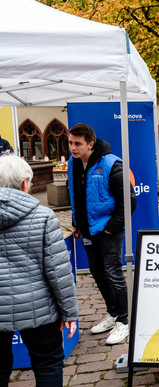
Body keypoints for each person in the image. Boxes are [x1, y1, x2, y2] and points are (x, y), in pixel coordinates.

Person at [0, 155, 78, 386]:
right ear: (25, 183)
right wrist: (69, 312)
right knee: (48, 363)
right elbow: (58, 272)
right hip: (38, 307)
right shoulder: (43, 216)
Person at [68, 124, 135, 345]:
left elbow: (129, 201)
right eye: (70, 143)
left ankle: (124, 322)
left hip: (108, 230)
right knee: (98, 272)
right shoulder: (72, 164)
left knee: (113, 273)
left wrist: (111, 227)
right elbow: (76, 195)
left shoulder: (111, 163)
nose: (73, 148)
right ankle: (113, 313)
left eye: (77, 143)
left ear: (90, 144)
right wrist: (76, 223)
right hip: (87, 230)